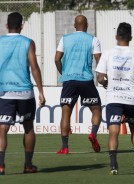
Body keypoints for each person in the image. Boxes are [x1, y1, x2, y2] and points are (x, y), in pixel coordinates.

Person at [96, 22, 134, 175]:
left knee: (113, 132)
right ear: (131, 37)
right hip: (132, 100)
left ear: (117, 36)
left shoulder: (108, 53)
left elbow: (100, 77)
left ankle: (114, 165)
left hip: (114, 98)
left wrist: (107, 83)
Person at [0, 12, 46, 175]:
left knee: (2, 128)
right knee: (28, 127)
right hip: (25, 92)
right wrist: (40, 91)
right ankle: (28, 165)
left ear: (7, 25)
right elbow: (34, 67)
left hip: (4, 92)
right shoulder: (28, 42)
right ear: (21, 26)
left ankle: (0, 165)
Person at [55, 15, 102, 154]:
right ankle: (93, 134)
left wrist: (64, 73)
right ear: (87, 25)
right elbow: (100, 61)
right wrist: (102, 77)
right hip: (86, 80)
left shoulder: (65, 39)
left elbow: (57, 59)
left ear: (74, 25)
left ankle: (64, 147)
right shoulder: (93, 40)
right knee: (96, 110)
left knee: (65, 114)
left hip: (69, 81)